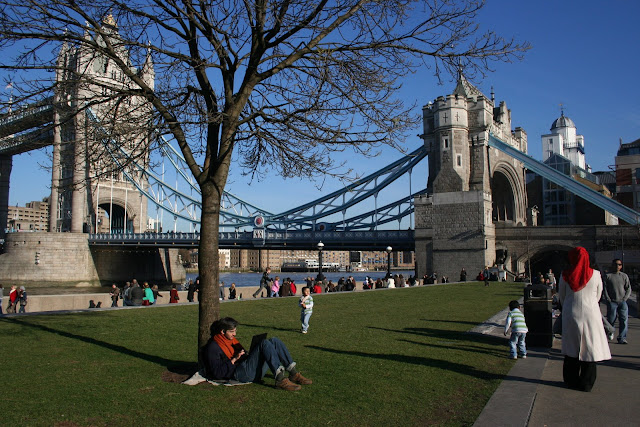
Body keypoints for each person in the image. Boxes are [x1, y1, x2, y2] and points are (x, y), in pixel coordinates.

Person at [202, 317, 312, 391]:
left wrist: (247, 354)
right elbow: (217, 373)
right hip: (239, 374)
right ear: (222, 331)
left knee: (274, 340)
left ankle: (293, 373)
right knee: (264, 343)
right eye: (232, 331)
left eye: (235, 331)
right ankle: (280, 380)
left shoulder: (231, 341)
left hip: (246, 367)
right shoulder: (213, 347)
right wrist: (234, 359)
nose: (235, 334)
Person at [558, 247, 611, 392]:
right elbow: (598, 295)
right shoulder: (596, 274)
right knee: (589, 347)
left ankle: (571, 380)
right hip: (590, 312)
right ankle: (587, 383)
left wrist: (568, 305)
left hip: (571, 312)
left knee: (571, 348)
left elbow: (561, 295)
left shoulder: (565, 275)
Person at [604, 258, 631, 344]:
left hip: (622, 302)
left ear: (621, 266)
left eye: (619, 264)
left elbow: (628, 288)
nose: (617, 266)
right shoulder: (608, 276)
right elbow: (604, 289)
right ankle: (610, 332)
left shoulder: (624, 276)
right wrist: (608, 299)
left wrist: (625, 298)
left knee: (624, 320)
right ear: (612, 265)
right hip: (612, 302)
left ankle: (622, 338)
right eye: (615, 264)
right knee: (611, 320)